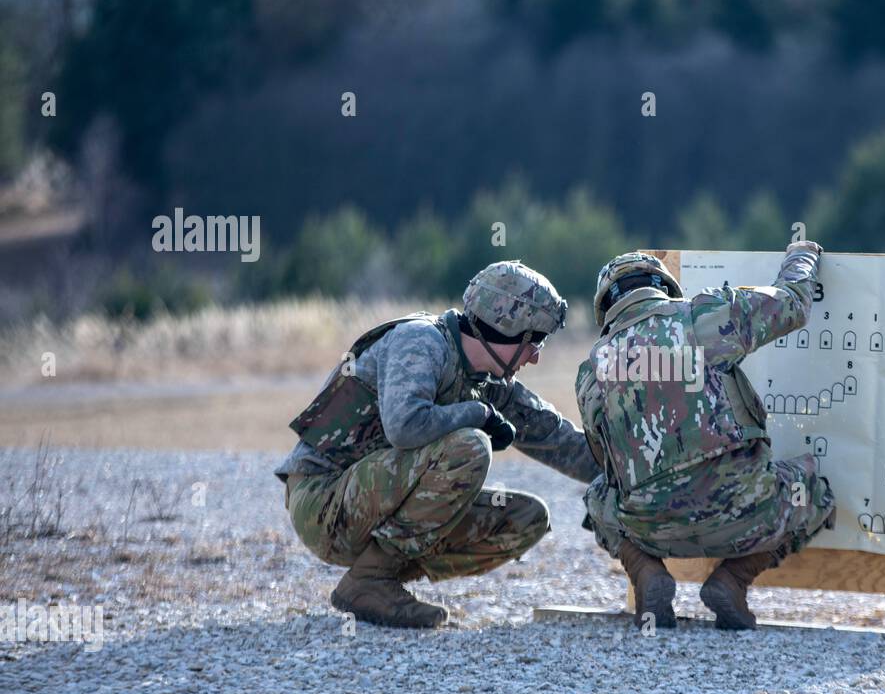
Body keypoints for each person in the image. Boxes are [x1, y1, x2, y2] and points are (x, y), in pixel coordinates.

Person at [276, 261, 599, 628]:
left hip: (371, 503)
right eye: (535, 341)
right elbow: (404, 425)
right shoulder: (421, 341)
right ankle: (369, 582)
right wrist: (477, 413)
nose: (536, 356)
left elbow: (556, 438)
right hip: (323, 503)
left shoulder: (487, 378)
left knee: (526, 519)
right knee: (471, 447)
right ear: (510, 330)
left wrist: (631, 478)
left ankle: (381, 577)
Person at [576, 242, 836, 630]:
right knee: (813, 489)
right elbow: (791, 304)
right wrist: (802, 254)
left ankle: (646, 572)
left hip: (650, 529)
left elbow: (607, 466)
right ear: (662, 286)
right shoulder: (702, 317)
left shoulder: (590, 371)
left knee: (597, 496)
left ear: (607, 308)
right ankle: (732, 580)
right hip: (745, 515)